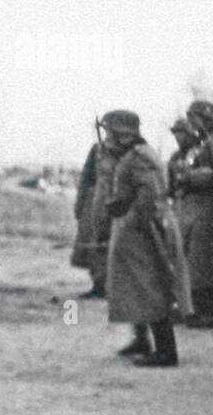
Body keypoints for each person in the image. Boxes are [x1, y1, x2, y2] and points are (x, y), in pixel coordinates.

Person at [103, 110, 192, 366]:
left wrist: (133, 219)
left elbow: (148, 195)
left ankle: (166, 351)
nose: (107, 136)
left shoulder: (140, 157)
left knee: (151, 285)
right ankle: (142, 338)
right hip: (137, 226)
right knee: (135, 285)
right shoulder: (130, 155)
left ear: (122, 133)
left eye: (110, 130)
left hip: (146, 228)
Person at [168, 102, 213, 329]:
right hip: (193, 209)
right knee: (195, 261)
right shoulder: (201, 144)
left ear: (205, 118)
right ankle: (196, 309)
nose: (190, 120)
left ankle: (212, 314)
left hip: (209, 207)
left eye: (193, 116)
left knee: (208, 262)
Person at [72, 131, 114, 298]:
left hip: (117, 202)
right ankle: (98, 285)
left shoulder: (129, 152)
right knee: (94, 245)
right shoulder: (97, 149)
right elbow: (86, 177)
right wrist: (80, 205)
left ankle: (114, 287)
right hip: (95, 201)